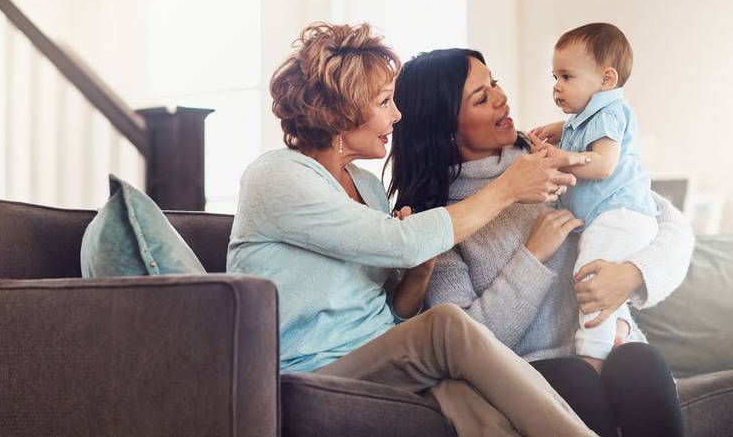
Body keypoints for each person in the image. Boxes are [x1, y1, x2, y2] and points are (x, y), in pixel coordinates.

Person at [228, 22, 595, 437]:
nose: (397, 115)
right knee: (446, 325)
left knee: (472, 403)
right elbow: (400, 243)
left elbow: (390, 311)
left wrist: (420, 273)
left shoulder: (366, 186)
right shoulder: (278, 176)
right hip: (310, 369)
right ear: (341, 109)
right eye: (385, 101)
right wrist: (507, 189)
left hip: (383, 358)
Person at [387, 47, 692, 437]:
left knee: (640, 362)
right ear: (446, 128)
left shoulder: (556, 155)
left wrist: (633, 275)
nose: (501, 97)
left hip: (611, 349)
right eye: (481, 98)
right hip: (529, 371)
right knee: (574, 379)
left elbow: (668, 223)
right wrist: (533, 256)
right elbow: (465, 341)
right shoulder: (441, 221)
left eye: (493, 83)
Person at [528, 23, 660, 373]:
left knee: (590, 277)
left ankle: (592, 358)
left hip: (621, 216)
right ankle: (618, 332)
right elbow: (582, 130)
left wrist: (564, 157)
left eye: (567, 77)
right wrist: (560, 130)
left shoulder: (610, 112)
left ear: (606, 80)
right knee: (599, 277)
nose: (556, 87)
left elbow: (603, 164)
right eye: (554, 76)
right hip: (615, 218)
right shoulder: (590, 116)